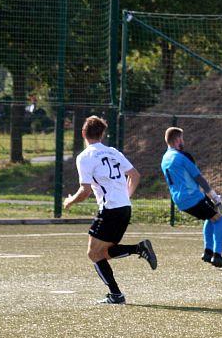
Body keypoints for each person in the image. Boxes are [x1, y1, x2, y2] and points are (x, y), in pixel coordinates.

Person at [63, 115, 156, 305]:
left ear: (83, 133)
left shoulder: (85, 156)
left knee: (93, 253)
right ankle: (136, 253)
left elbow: (85, 191)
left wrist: (70, 202)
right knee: (104, 252)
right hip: (124, 208)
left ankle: (117, 293)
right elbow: (135, 175)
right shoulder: (113, 152)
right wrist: (125, 197)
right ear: (102, 134)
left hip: (110, 209)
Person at [160, 127, 222, 271]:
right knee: (220, 219)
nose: (183, 141)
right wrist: (214, 197)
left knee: (210, 217)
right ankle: (217, 256)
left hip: (179, 200)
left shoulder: (165, 158)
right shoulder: (181, 157)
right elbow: (199, 178)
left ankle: (208, 252)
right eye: (182, 138)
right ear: (178, 139)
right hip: (192, 197)